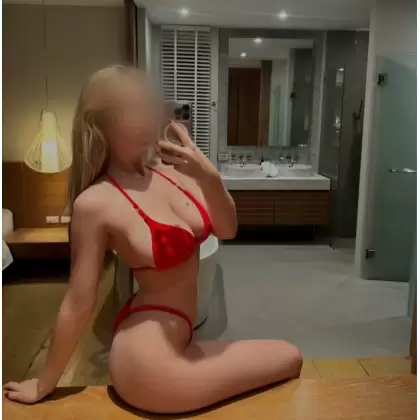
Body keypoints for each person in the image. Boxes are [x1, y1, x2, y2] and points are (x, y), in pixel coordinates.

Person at [4, 65, 302, 413]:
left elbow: (227, 229)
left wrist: (208, 176)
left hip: (181, 338)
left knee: (288, 355)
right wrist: (44, 382)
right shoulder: (96, 203)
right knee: (288, 360)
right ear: (101, 123)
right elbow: (78, 302)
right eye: (132, 108)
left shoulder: (173, 172)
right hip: (146, 361)